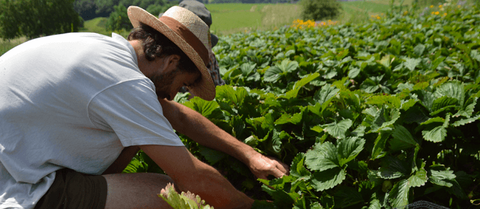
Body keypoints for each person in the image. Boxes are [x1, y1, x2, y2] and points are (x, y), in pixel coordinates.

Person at [0, 5, 288, 209]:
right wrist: (252, 207)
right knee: (169, 195)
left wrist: (250, 154)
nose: (176, 96)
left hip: (15, 163)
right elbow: (194, 177)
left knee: (132, 141)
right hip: (20, 189)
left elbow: (175, 114)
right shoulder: (124, 82)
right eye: (184, 85)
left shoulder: (103, 52)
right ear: (172, 62)